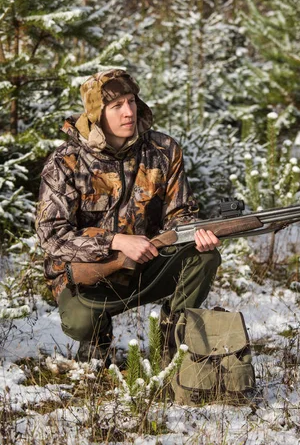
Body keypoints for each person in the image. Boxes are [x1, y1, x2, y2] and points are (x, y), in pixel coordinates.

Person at [36, 69, 221, 365]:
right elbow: (52, 236)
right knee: (79, 321)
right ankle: (98, 339)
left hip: (147, 262)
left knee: (204, 257)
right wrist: (116, 242)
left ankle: (172, 337)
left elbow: (180, 212)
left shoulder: (163, 150)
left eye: (131, 101)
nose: (128, 112)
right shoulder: (64, 163)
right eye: (116, 106)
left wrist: (193, 233)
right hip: (91, 275)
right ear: (97, 113)